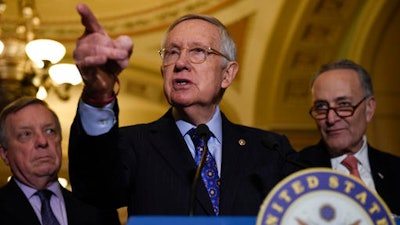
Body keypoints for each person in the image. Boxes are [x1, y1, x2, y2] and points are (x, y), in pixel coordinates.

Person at [68, 3, 300, 217]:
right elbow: (94, 191)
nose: (180, 63)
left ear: (227, 74)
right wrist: (97, 95)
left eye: (198, 51)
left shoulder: (270, 150)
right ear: (163, 72)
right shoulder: (133, 145)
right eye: (172, 52)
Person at [299, 59, 400, 215]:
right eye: (321, 107)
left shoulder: (396, 171)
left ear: (369, 108)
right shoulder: (295, 171)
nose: (331, 119)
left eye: (344, 105)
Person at [0, 97, 120, 225]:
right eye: (26, 134)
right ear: (4, 154)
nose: (42, 141)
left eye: (50, 131)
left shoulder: (98, 209)